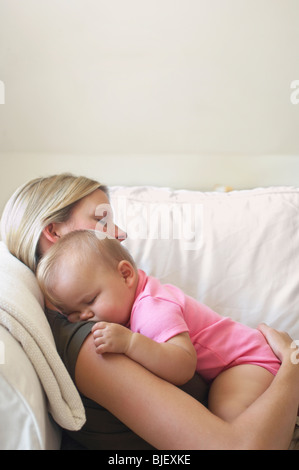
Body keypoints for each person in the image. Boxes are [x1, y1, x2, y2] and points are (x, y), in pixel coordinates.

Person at [1, 173, 299, 450]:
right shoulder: (93, 338)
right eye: (101, 220)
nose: (118, 234)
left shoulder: (120, 307)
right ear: (54, 231)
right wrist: (292, 364)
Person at [36, 230, 281, 422]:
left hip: (248, 361)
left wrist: (131, 343)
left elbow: (183, 365)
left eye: (90, 301)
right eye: (73, 314)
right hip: (234, 365)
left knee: (227, 412)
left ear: (125, 275)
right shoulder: (135, 298)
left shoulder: (151, 309)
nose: (85, 317)